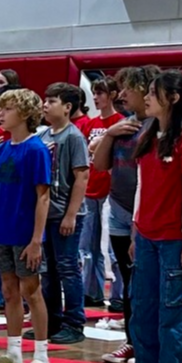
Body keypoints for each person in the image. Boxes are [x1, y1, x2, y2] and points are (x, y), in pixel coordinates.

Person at [103, 70, 182, 363]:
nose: (146, 97)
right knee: (144, 305)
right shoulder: (148, 135)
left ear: (173, 99)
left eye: (153, 92)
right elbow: (142, 186)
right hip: (146, 234)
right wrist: (135, 229)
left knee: (173, 308)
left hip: (175, 237)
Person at [0, 87, 53, 363]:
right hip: (1, 231)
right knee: (9, 291)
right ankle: (13, 353)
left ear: (24, 114)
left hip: (25, 234)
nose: (1, 113)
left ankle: (42, 357)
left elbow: (43, 197)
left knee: (31, 291)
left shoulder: (36, 149)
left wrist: (36, 240)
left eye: (8, 108)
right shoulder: (0, 149)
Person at [96, 65, 156, 363]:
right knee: (129, 277)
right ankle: (133, 341)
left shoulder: (158, 126)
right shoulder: (125, 125)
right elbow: (99, 164)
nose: (122, 95)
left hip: (144, 214)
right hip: (119, 208)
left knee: (144, 282)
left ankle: (147, 343)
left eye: (127, 89)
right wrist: (109, 133)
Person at [39, 82, 91, 345]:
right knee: (48, 270)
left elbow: (81, 176)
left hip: (65, 213)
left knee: (68, 268)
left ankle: (74, 323)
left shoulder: (73, 137)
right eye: (45, 101)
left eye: (52, 101)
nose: (45, 105)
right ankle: (51, 319)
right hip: (47, 213)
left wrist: (71, 214)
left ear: (68, 107)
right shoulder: (44, 135)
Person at [75, 79, 124, 313]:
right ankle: (90, 291)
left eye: (100, 93)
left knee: (112, 247)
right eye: (94, 93)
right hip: (90, 188)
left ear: (112, 95)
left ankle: (119, 295)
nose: (96, 97)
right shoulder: (90, 124)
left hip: (112, 190)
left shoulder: (121, 123)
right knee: (87, 247)